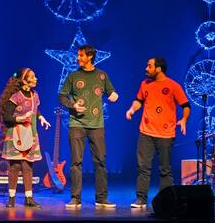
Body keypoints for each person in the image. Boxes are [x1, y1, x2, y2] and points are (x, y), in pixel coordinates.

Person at [59, 45, 118, 208]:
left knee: (100, 161)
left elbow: (112, 92)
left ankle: (101, 198)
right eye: (78, 55)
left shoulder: (102, 75)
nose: (78, 58)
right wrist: (72, 105)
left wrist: (114, 96)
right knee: (76, 162)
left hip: (97, 125)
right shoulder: (72, 76)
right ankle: (75, 198)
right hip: (76, 124)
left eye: (81, 55)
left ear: (90, 56)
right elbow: (62, 96)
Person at [126, 57, 190, 208]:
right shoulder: (145, 84)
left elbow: (186, 105)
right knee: (143, 168)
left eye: (149, 66)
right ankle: (141, 200)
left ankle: (165, 201)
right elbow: (139, 100)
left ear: (159, 69)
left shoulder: (173, 86)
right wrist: (132, 109)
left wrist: (184, 119)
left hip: (165, 135)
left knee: (165, 170)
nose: (146, 68)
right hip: (146, 132)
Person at [0, 68, 51, 208]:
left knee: (27, 166)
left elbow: (35, 110)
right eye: (33, 77)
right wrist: (21, 118)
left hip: (30, 134)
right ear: (24, 80)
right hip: (16, 134)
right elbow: (6, 117)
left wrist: (41, 118)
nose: (36, 79)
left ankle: (28, 198)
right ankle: (12, 199)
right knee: (14, 166)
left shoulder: (35, 95)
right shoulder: (16, 97)